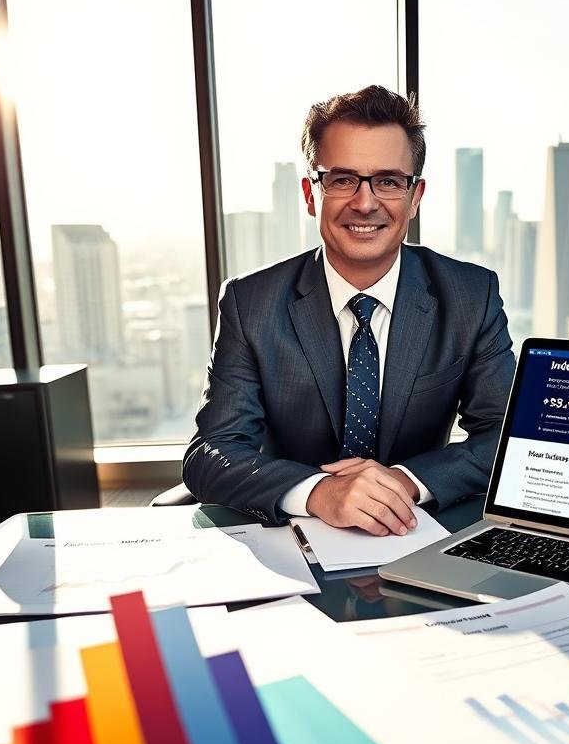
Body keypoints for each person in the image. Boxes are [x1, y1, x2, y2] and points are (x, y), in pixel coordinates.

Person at [183, 85, 515, 536]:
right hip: (290, 534)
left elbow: (507, 439)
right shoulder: (251, 302)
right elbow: (211, 452)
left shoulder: (470, 295)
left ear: (415, 196)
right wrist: (318, 492)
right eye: (342, 179)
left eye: (389, 181)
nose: (365, 202)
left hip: (414, 528)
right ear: (309, 193)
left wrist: (404, 483)